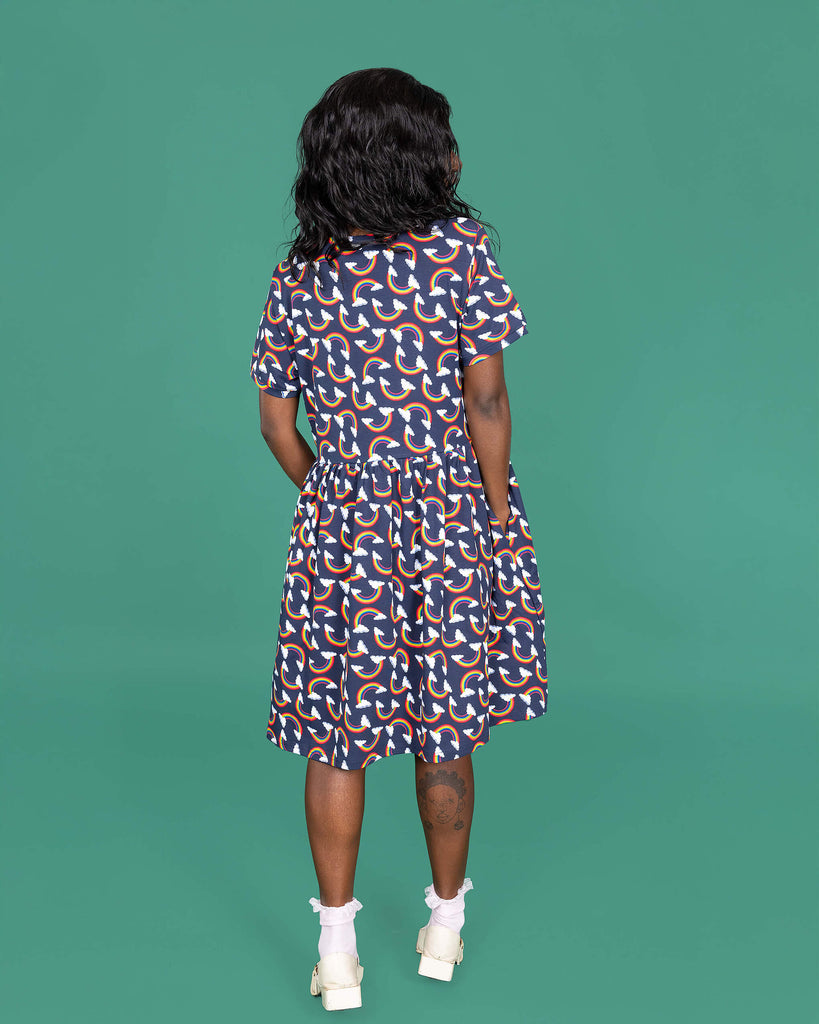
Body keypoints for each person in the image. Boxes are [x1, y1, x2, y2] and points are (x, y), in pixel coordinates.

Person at [249, 67, 549, 1011]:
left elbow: (274, 422)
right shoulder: (459, 252)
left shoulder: (301, 270)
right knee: (444, 728)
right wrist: (493, 513)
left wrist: (335, 495)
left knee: (335, 739)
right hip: (453, 513)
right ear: (423, 156)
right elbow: (487, 398)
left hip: (343, 523)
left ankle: (335, 953)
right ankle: (445, 926)